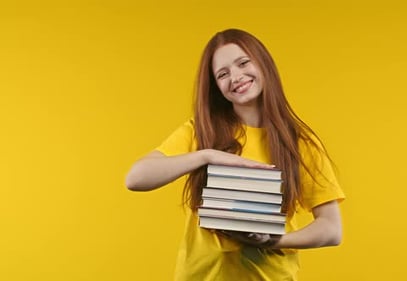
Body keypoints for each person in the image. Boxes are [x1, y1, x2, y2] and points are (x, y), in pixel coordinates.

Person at [125, 28, 345, 281]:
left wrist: (274, 240)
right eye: (223, 74)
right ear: (216, 87)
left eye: (243, 63)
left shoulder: (299, 142)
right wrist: (207, 156)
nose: (236, 77)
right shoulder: (199, 131)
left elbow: (330, 229)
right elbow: (136, 178)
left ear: (263, 63)